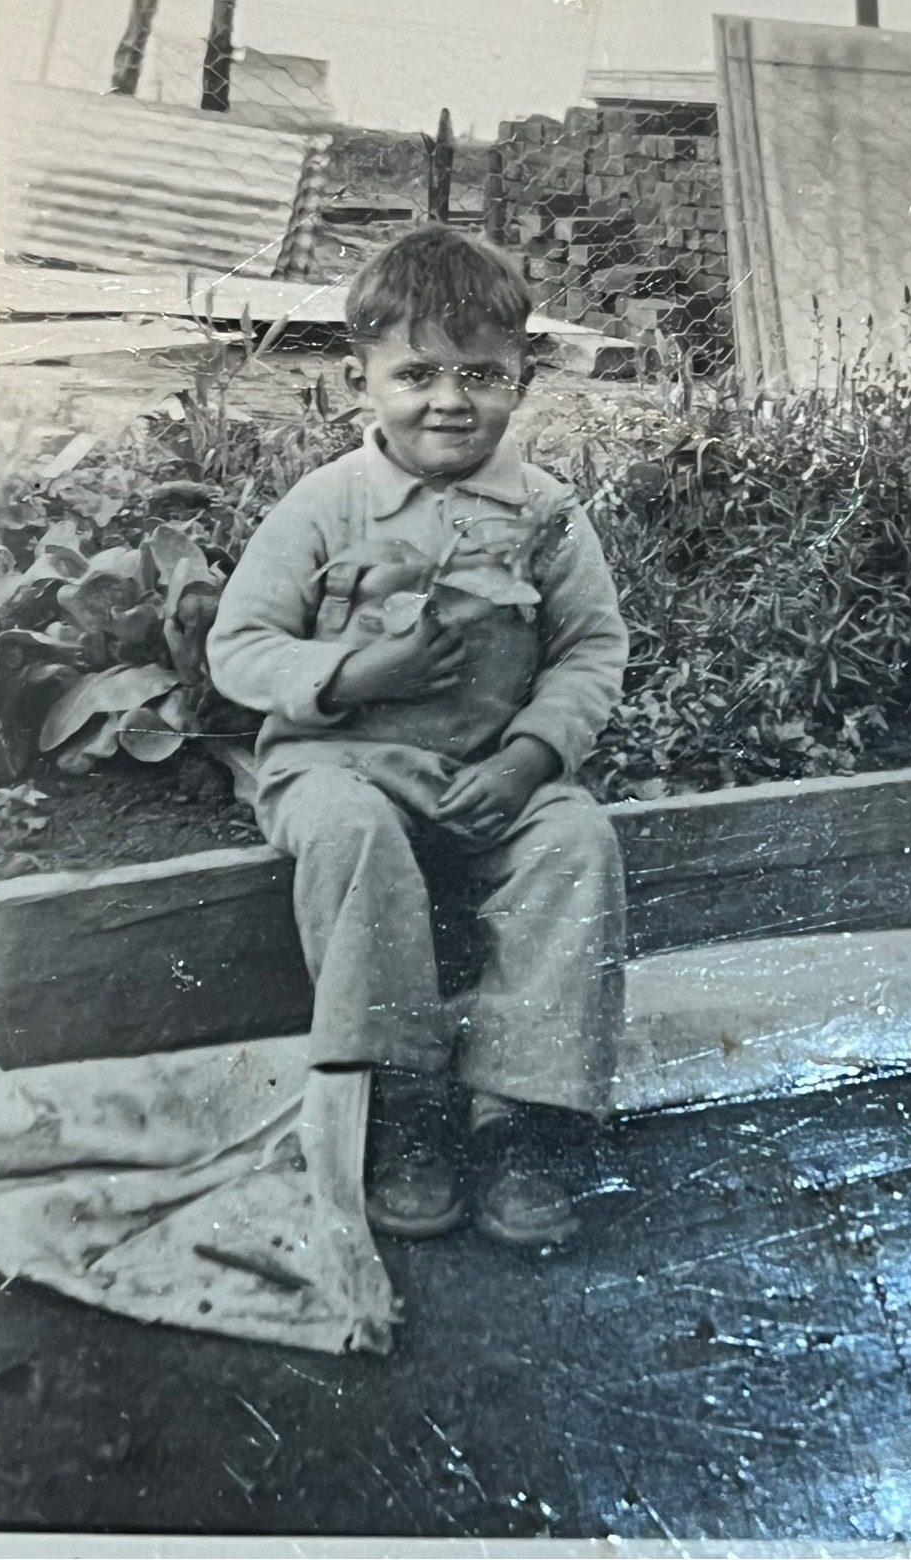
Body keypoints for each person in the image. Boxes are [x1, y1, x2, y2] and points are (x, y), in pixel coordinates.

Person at [207, 224, 629, 1250]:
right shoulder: (328, 506)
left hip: (491, 774)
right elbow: (241, 646)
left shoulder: (543, 512)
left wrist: (529, 757)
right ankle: (404, 1106)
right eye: (416, 373)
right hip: (338, 765)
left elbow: (590, 650)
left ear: (522, 378)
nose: (449, 399)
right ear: (361, 379)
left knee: (575, 846)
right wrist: (354, 674)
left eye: (480, 373)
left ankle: (514, 1116)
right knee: (350, 833)